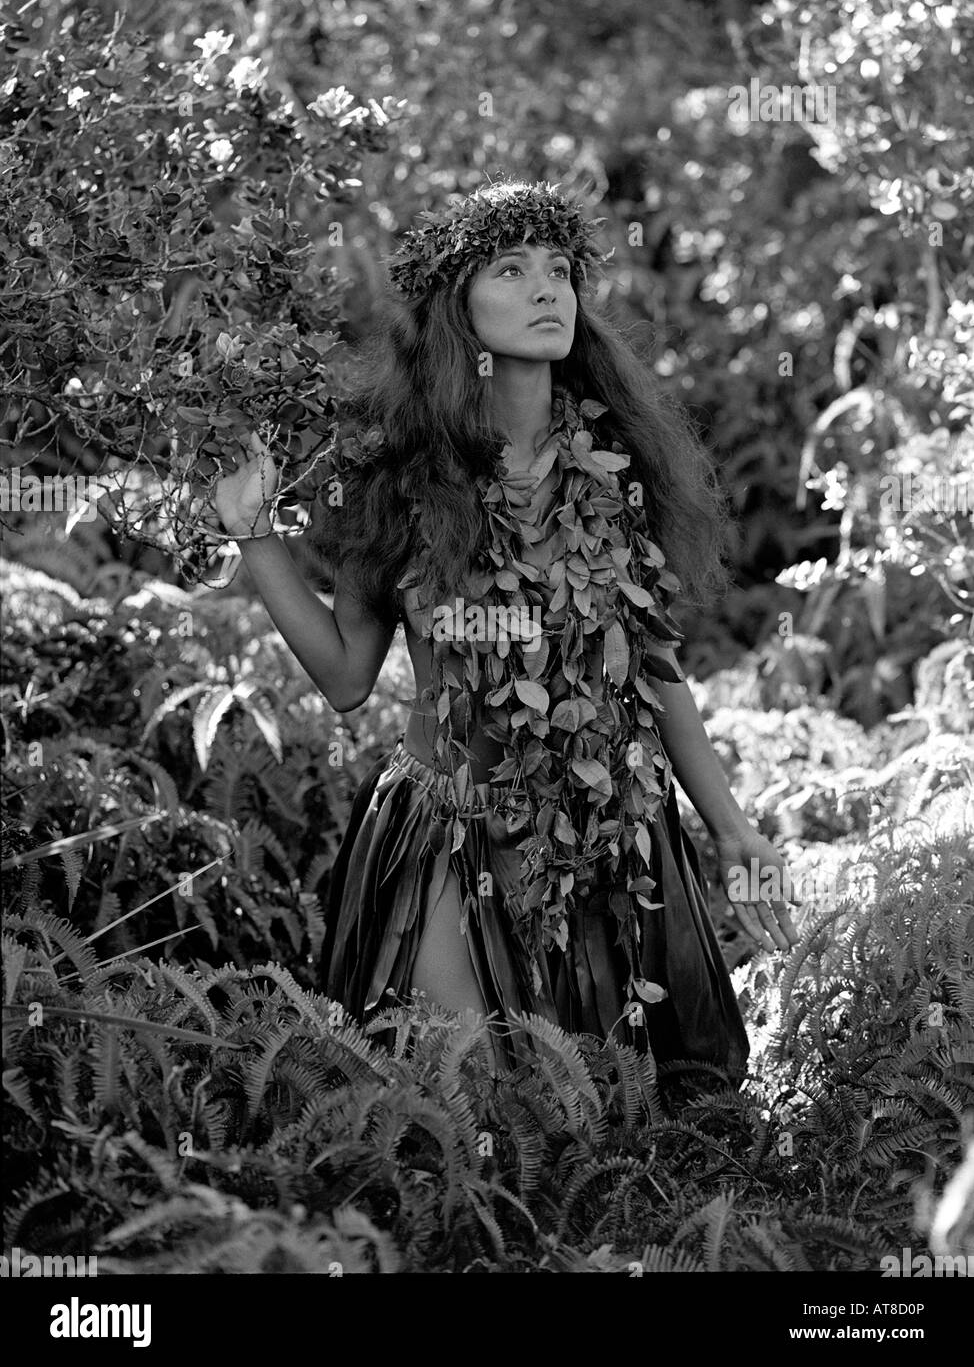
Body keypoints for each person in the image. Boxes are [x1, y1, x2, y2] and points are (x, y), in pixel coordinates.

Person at [213, 179, 798, 1078]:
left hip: (602, 831)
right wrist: (254, 537)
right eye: (511, 270)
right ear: (457, 306)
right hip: (450, 830)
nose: (545, 291)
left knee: (591, 1119)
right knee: (458, 1094)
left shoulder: (621, 469)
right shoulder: (398, 481)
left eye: (560, 271)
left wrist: (730, 829)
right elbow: (344, 680)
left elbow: (656, 670)